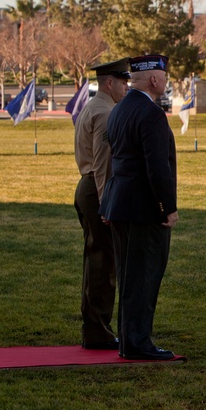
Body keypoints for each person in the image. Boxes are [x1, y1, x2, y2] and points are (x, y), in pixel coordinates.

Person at [100, 54, 179, 361]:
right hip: (144, 209)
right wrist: (166, 207)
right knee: (144, 277)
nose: (166, 82)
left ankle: (130, 340)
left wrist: (108, 202)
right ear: (155, 80)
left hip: (121, 204)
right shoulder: (151, 114)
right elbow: (157, 168)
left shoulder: (119, 109)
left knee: (129, 276)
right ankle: (136, 342)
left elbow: (117, 161)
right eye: (165, 77)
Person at [73, 58, 130, 350]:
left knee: (95, 260)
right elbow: (103, 162)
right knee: (103, 264)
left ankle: (94, 328)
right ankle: (98, 331)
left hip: (87, 186)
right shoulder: (107, 112)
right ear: (110, 83)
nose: (126, 87)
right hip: (98, 189)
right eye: (123, 82)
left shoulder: (92, 107)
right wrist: (108, 202)